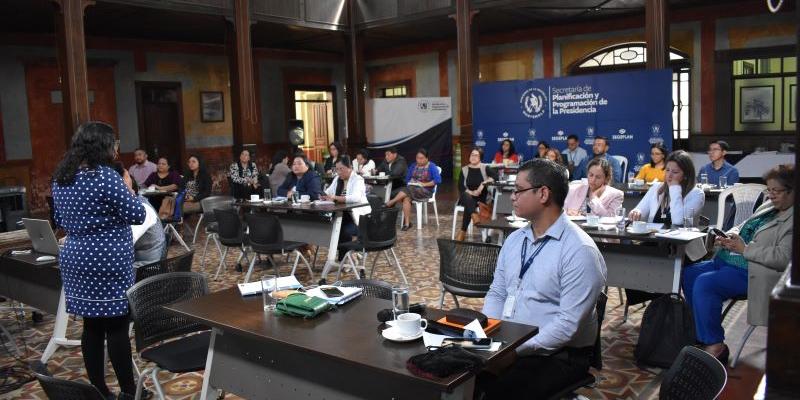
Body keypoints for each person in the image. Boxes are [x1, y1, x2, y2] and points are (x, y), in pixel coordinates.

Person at [479, 158, 606, 399]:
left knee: (498, 390)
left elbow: (567, 326)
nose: (512, 196)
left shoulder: (579, 251)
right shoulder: (515, 240)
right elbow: (497, 293)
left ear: (543, 194)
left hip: (558, 354)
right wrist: (490, 334)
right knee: (458, 371)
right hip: (509, 343)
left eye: (518, 190)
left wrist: (514, 352)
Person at [51, 122, 145, 399]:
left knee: (91, 325)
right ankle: (129, 391)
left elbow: (58, 220)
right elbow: (137, 215)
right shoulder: (106, 176)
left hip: (75, 257)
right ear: (102, 145)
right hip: (107, 258)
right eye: (114, 142)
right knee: (116, 325)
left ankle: (99, 390)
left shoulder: (62, 176)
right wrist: (129, 188)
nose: (116, 147)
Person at [682, 164, 793, 363]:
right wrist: (731, 235)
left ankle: (715, 344)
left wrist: (744, 249)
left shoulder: (792, 219)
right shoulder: (769, 206)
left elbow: (783, 258)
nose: (771, 195)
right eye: (769, 190)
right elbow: (746, 225)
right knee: (689, 274)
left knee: (706, 283)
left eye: (777, 191)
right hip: (730, 260)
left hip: (754, 270)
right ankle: (701, 332)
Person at [629, 150, 704, 228]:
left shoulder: (697, 194)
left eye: (675, 172)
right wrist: (636, 212)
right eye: (667, 170)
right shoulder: (656, 187)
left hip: (680, 239)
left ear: (686, 175)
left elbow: (678, 221)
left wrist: (675, 188)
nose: (669, 175)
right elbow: (640, 210)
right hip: (654, 238)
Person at [112, 162, 166, 266]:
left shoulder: (141, 208)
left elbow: (124, 245)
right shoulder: (127, 206)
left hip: (146, 270)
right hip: (135, 264)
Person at [385, 148, 442, 231]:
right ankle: (407, 224)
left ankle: (391, 202)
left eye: (421, 158)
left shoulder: (431, 166)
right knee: (406, 198)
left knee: (408, 189)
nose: (419, 160)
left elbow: (438, 180)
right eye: (417, 158)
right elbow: (407, 179)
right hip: (412, 189)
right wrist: (412, 181)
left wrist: (424, 184)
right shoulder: (413, 166)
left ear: (427, 158)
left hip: (426, 191)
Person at [322, 156, 371, 243]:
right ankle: (347, 253)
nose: (338, 172)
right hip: (340, 216)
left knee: (339, 231)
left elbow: (356, 197)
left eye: (341, 169)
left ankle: (348, 251)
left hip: (356, 219)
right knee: (327, 228)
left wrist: (335, 197)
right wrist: (323, 196)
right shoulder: (337, 179)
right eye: (337, 169)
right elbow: (328, 192)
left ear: (350, 167)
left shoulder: (358, 179)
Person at [455, 147, 495, 241]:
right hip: (467, 196)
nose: (473, 157)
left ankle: (462, 231)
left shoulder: (485, 168)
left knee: (469, 205)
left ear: (480, 157)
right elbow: (461, 187)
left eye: (476, 155)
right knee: (466, 196)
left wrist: (483, 183)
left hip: (481, 198)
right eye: (472, 154)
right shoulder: (464, 169)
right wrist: (472, 192)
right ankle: (474, 215)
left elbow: (495, 177)